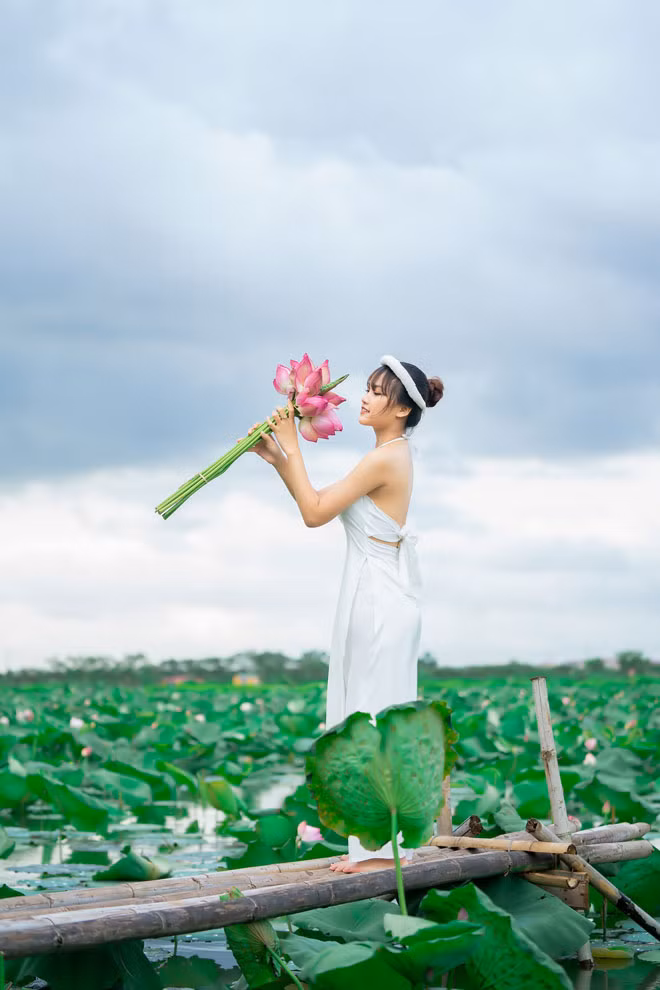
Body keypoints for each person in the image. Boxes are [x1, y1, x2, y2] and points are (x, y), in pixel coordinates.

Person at [242, 355, 444, 872]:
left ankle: (383, 855)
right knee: (366, 715)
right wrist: (279, 459)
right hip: (371, 594)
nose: (365, 397)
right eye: (369, 388)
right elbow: (316, 505)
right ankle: (377, 848)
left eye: (378, 392)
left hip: (378, 601)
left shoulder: (387, 457)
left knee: (373, 717)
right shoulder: (387, 454)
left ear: (400, 410)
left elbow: (314, 513)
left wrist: (291, 443)